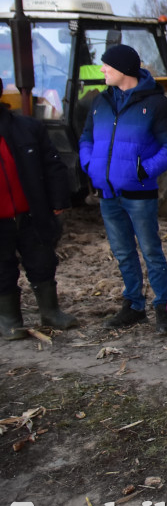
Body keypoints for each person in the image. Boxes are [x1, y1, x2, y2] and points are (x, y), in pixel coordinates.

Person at [79, 44, 167, 333]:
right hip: (107, 194)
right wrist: (90, 164)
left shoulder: (157, 104)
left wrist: (142, 170)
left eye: (106, 66)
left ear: (123, 69)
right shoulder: (100, 103)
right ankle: (134, 305)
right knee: (123, 252)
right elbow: (86, 138)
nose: (102, 70)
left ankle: (163, 306)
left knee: (151, 251)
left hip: (139, 194)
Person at [0, 88, 77, 338]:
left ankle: (50, 312)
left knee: (42, 261)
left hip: (31, 213)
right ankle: (10, 320)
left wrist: (58, 199)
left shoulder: (27, 127)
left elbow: (52, 165)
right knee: (2, 267)